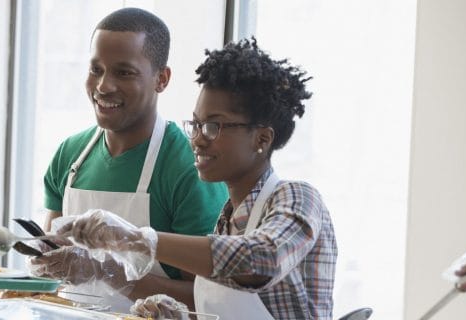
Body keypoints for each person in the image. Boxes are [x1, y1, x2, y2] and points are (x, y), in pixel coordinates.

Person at [57, 39, 338, 320]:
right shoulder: (228, 220)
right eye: (196, 124)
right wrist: (180, 315)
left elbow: (260, 261)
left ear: (261, 139)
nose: (197, 139)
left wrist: (138, 238)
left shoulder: (299, 198)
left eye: (213, 126)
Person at [31, 7, 228, 313]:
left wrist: (109, 273)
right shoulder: (69, 155)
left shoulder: (189, 168)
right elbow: (52, 267)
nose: (103, 86)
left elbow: (207, 301)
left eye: (124, 72)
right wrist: (45, 266)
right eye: (96, 69)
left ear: (161, 79)